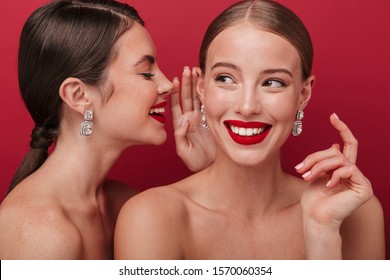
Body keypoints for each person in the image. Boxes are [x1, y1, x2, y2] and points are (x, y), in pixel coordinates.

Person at [114, 0, 385, 259]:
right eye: (225, 78)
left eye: (273, 82)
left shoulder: (355, 213)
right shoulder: (151, 217)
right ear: (201, 86)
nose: (247, 106)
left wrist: (322, 234)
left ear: (303, 93)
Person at [0, 0, 213, 259]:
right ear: (79, 95)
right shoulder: (40, 231)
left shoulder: (125, 205)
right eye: (146, 73)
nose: (168, 84)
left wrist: (211, 171)